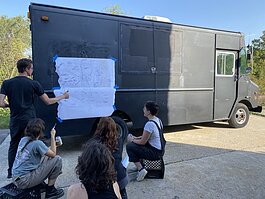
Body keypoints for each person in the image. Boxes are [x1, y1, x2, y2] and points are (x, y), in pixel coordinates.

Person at [0, 58, 69, 178]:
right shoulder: (33, 84)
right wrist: (63, 96)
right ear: (26, 69)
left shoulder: (7, 83)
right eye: (31, 68)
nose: (32, 71)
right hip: (30, 121)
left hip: (15, 120)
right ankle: (32, 170)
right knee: (32, 144)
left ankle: (11, 172)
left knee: (14, 144)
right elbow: (47, 101)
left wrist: (9, 105)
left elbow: (1, 103)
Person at [12, 118, 64, 199]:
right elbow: (53, 154)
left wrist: (54, 146)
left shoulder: (23, 140)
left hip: (16, 177)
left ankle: (40, 184)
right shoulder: (37, 143)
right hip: (24, 181)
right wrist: (53, 136)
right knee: (57, 160)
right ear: (40, 132)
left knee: (46, 156)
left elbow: (46, 153)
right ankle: (50, 191)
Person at [126, 101, 164, 181]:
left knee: (130, 146)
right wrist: (135, 138)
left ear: (148, 111)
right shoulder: (157, 120)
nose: (143, 110)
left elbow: (142, 142)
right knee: (135, 145)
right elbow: (145, 137)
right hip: (159, 151)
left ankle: (141, 170)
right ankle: (138, 166)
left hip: (154, 153)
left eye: (144, 108)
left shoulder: (149, 124)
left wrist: (132, 140)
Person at [92, 117, 129, 199]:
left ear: (99, 127)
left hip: (105, 179)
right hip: (120, 176)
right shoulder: (119, 140)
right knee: (122, 192)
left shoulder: (94, 143)